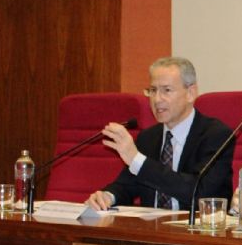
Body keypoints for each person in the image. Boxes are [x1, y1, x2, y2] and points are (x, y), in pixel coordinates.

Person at [86, 57, 233, 210]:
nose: (156, 99)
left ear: (190, 93)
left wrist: (136, 159)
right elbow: (128, 184)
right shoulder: (148, 137)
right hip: (151, 230)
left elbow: (200, 192)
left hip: (194, 231)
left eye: (166, 90)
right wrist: (107, 196)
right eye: (153, 90)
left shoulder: (216, 135)